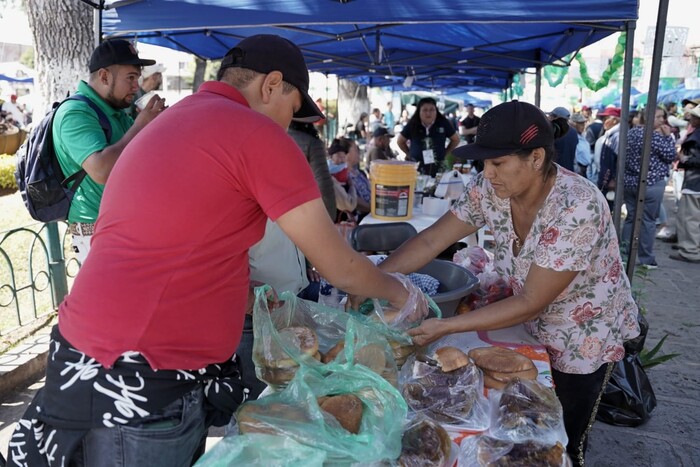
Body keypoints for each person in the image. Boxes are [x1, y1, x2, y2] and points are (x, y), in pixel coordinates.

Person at [7, 34, 425, 467]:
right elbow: (340, 266)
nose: (289, 124)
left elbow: (173, 243)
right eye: (292, 108)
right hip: (143, 377)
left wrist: (249, 296)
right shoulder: (255, 132)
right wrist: (402, 293)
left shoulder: (172, 121)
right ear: (271, 85)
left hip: (84, 352)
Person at [358, 101, 639, 467]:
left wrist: (446, 325)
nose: (487, 173)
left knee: (554, 440)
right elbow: (431, 241)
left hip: (581, 334)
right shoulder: (488, 188)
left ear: (536, 158)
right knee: (510, 427)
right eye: (484, 163)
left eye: (498, 163)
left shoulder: (578, 206)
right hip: (527, 326)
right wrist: (373, 283)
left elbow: (533, 300)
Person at [54, 39, 166, 263]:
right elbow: (101, 170)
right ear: (104, 76)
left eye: (138, 77)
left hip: (122, 226)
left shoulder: (117, 112)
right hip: (96, 231)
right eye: (131, 78)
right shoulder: (75, 112)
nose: (137, 86)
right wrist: (140, 126)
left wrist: (160, 128)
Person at [621, 107, 676, 269]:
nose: (661, 120)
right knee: (647, 221)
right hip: (650, 183)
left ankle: (624, 254)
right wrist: (667, 138)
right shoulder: (655, 136)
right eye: (658, 116)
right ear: (648, 118)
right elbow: (670, 155)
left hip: (630, 182)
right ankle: (646, 259)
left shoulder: (631, 133)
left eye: (662, 117)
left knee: (631, 218)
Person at [397, 97, 460, 176]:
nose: (428, 113)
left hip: (438, 167)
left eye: (432, 110)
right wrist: (409, 154)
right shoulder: (413, 123)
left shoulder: (443, 123)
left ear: (436, 111)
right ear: (419, 111)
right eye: (425, 110)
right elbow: (400, 141)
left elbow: (456, 140)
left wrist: (445, 153)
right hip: (416, 167)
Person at [670, 105, 700, 263]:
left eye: (694, 117)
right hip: (695, 183)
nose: (691, 119)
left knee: (689, 219)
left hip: (695, 183)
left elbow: (695, 160)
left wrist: (684, 159)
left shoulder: (697, 137)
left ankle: (690, 250)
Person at [288, 120, 336, 220]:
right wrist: (329, 219)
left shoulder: (267, 138)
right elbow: (323, 186)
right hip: (304, 215)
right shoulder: (312, 143)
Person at [548, 106, 578, 172]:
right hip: (569, 170)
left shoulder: (552, 131)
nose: (549, 118)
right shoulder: (574, 132)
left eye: (551, 116)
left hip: (554, 171)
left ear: (556, 118)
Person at [571, 112, 592, 177]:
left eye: (583, 124)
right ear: (574, 124)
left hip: (585, 169)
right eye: (580, 124)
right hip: (578, 170)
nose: (583, 126)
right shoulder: (573, 137)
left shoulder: (583, 135)